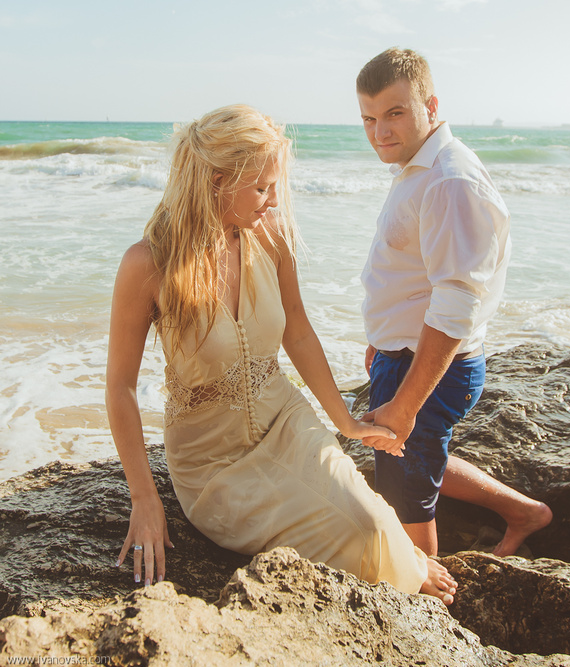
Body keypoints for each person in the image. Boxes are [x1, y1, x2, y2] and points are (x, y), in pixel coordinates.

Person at [105, 104, 456, 604]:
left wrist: (346, 422)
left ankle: (402, 561)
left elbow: (299, 332)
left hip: (286, 420)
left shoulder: (269, 237)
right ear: (217, 181)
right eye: (261, 187)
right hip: (211, 465)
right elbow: (119, 387)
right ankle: (404, 567)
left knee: (374, 524)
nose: (273, 201)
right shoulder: (148, 264)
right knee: (362, 540)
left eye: (276, 186)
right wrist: (144, 497)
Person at [355, 48, 552, 558]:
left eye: (395, 113)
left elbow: (455, 304)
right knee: (413, 456)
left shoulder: (449, 181)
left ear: (430, 104)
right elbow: (412, 276)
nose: (380, 132)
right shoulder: (422, 168)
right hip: (402, 354)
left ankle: (428, 605)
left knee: (406, 492)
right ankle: (524, 512)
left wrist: (405, 403)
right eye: (369, 119)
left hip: (427, 362)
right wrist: (380, 345)